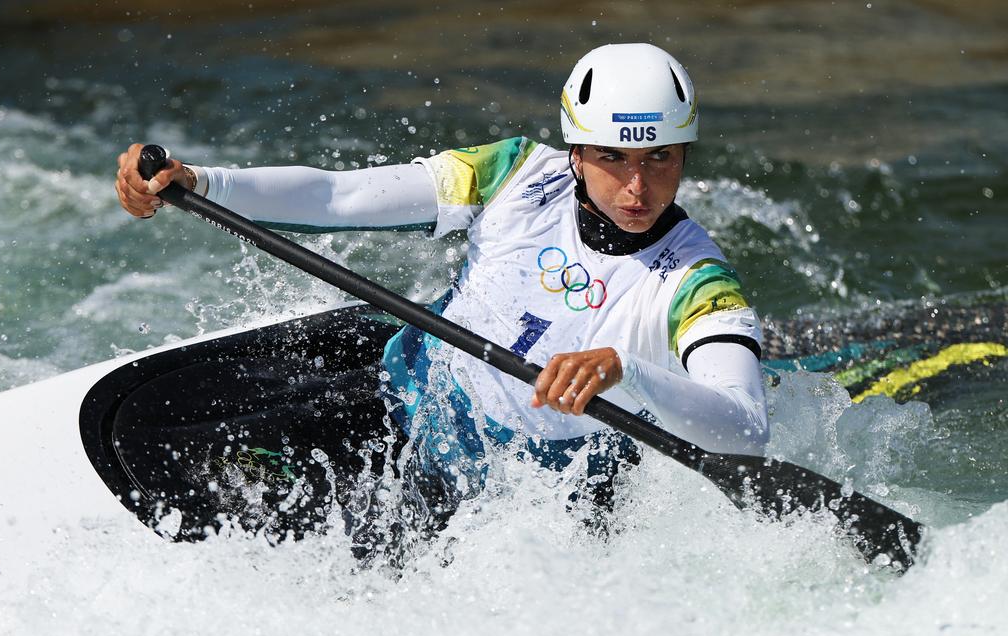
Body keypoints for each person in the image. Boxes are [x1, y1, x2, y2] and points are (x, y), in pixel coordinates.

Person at [113, 43, 769, 540]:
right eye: (614, 158)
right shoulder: (512, 172)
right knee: (202, 446)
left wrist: (632, 373)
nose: (636, 187)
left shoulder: (697, 283)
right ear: (576, 151)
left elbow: (743, 427)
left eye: (659, 158)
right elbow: (336, 195)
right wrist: (203, 183)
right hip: (413, 396)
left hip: (514, 497)